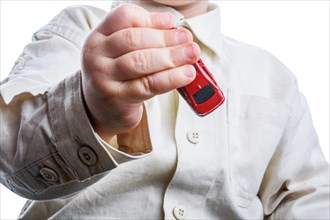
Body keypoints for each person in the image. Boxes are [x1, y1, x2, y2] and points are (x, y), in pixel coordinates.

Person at [0, 0, 329, 219]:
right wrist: (87, 108)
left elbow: (307, 196)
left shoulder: (274, 77)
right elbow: (9, 153)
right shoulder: (77, 30)